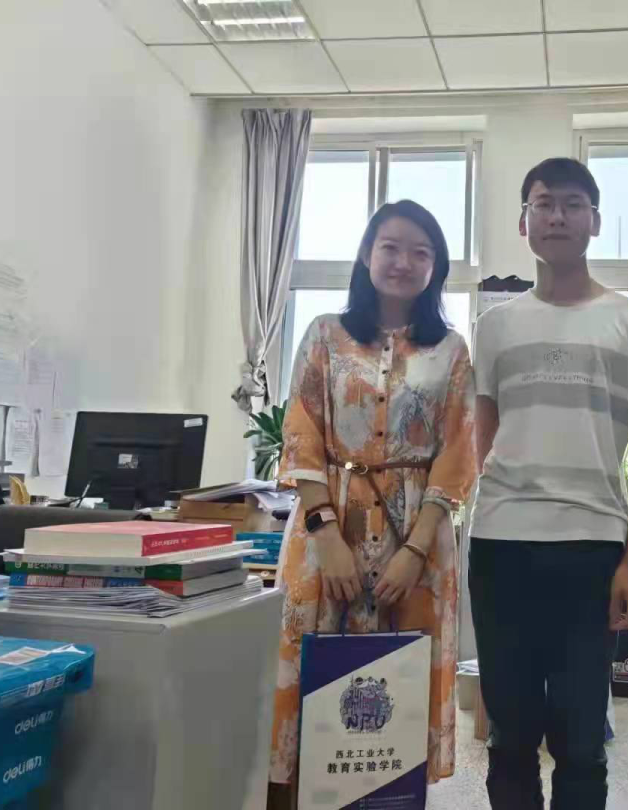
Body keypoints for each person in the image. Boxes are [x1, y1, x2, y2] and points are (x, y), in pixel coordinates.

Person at [469, 158, 628, 810]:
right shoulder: (495, 326)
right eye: (543, 203)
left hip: (591, 546)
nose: (556, 216)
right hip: (501, 544)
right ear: (524, 221)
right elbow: (483, 439)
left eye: (571, 204)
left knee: (582, 739)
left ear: (594, 220)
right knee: (509, 734)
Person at [269, 200, 476, 808]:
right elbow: (302, 433)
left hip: (420, 534)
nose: (403, 262)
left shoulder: (452, 350)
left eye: (420, 252)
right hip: (326, 525)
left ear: (435, 268)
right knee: (312, 675)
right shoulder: (324, 335)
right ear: (366, 254)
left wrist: (415, 551)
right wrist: (327, 536)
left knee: (396, 690)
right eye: (390, 247)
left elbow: (458, 451)